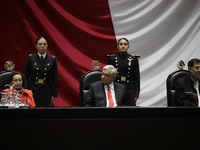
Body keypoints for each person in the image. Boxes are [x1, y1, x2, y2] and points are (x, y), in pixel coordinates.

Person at [24, 37, 58, 107]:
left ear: (47, 45)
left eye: (44, 44)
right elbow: (25, 77)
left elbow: (55, 79)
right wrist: (26, 92)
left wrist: (54, 94)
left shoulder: (52, 59)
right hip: (33, 89)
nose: (42, 46)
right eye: (40, 44)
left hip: (46, 90)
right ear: (36, 46)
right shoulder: (31, 58)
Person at [108, 38, 140, 106]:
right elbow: (109, 77)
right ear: (117, 46)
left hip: (130, 89)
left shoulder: (133, 59)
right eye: (121, 44)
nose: (123, 46)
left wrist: (136, 94)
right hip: (116, 87)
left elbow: (136, 77)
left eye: (125, 44)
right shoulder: (112, 59)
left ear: (128, 47)